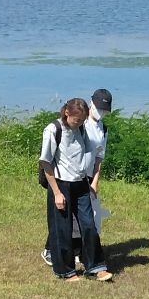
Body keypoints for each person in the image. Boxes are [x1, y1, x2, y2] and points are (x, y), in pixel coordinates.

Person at [39, 97, 111, 282]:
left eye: (82, 121)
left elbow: (92, 154)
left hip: (81, 184)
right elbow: (46, 163)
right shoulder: (53, 129)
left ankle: (95, 266)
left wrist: (93, 179)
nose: (79, 123)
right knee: (62, 228)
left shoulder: (81, 129)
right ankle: (65, 270)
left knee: (89, 225)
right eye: (76, 120)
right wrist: (56, 193)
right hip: (61, 183)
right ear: (66, 112)